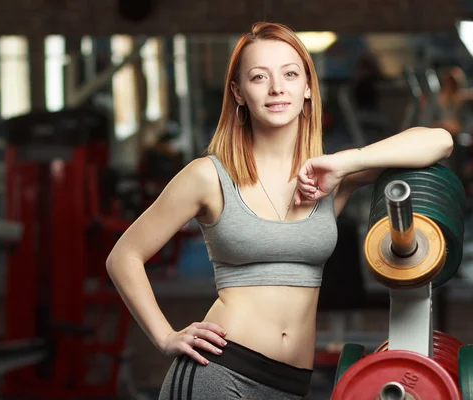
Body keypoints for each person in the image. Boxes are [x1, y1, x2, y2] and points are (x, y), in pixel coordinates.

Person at [106, 22, 454, 400]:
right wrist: (166, 336)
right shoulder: (208, 176)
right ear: (238, 93)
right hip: (219, 373)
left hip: (290, 385)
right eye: (259, 77)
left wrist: (345, 163)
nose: (276, 88)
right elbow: (124, 256)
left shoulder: (328, 178)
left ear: (307, 87)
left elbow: (439, 141)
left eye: (290, 74)